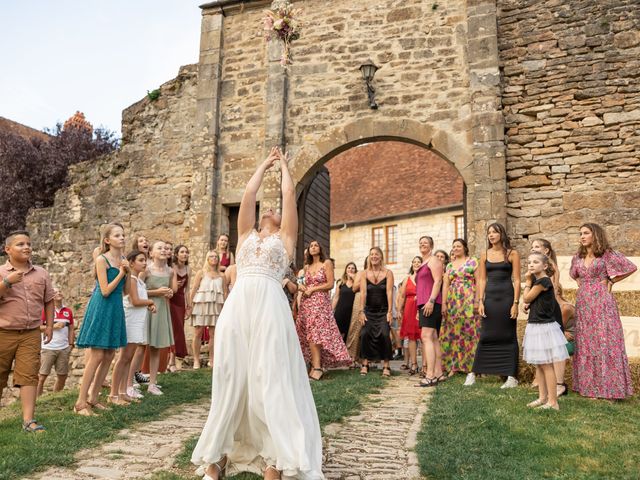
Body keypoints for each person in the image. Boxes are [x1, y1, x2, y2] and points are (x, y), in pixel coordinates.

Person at [191, 147, 324, 480]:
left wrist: (284, 168)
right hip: (239, 306)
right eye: (270, 209)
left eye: (278, 210)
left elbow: (290, 194)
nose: (274, 210)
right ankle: (217, 456)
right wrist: (263, 164)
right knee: (231, 375)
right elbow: (249, 193)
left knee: (270, 377)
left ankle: (274, 459)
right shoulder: (246, 235)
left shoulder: (287, 238)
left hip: (270, 307)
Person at [570, 223, 636, 399]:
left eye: (586, 233)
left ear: (595, 235)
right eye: (580, 233)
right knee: (586, 343)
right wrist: (584, 285)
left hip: (602, 302)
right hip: (584, 303)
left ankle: (610, 388)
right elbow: (575, 274)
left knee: (605, 341)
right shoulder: (578, 256)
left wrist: (611, 281)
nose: (582, 236)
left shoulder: (606, 254)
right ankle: (589, 387)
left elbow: (631, 267)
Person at [0, 230, 55, 432]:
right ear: (7, 250)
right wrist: (7, 282)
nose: (26, 247)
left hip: (31, 333)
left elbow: (48, 300)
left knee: (29, 375)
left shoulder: (41, 273)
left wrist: (49, 325)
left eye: (28, 244)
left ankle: (28, 421)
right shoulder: (1, 272)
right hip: (3, 332)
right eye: (20, 244)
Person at [75, 224, 130, 413]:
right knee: (97, 354)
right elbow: (105, 291)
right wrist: (122, 273)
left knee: (109, 354)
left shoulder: (123, 259)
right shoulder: (101, 259)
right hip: (101, 306)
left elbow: (126, 291)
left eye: (123, 235)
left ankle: (94, 398)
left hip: (116, 308)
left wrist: (127, 272)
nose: (122, 238)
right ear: (107, 240)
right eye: (117, 235)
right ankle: (80, 402)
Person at [469, 223, 521, 389]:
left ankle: (511, 376)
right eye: (489, 232)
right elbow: (482, 279)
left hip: (507, 297)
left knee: (508, 335)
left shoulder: (512, 254)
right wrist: (480, 300)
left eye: (494, 232)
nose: (491, 235)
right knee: (485, 335)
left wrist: (516, 303)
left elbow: (518, 280)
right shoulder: (484, 254)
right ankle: (473, 373)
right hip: (490, 298)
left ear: (501, 234)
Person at [296, 240, 351, 381]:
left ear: (320, 249)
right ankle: (315, 366)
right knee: (309, 334)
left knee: (317, 333)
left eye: (316, 245)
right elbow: (301, 282)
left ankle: (318, 367)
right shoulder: (307, 267)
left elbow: (330, 284)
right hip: (306, 303)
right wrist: (301, 287)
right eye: (311, 246)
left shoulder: (326, 263)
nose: (313, 247)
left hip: (320, 302)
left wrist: (313, 289)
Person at [522, 253, 569, 410]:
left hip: (543, 326)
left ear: (545, 266)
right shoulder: (538, 282)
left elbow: (527, 297)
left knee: (547, 365)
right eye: (529, 262)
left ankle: (553, 402)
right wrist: (529, 304)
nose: (531, 264)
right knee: (540, 364)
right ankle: (542, 398)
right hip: (536, 324)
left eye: (535, 262)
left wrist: (527, 282)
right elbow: (531, 301)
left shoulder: (543, 281)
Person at [112, 250, 156, 401]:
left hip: (138, 321)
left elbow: (140, 300)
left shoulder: (139, 281)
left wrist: (148, 305)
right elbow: (135, 301)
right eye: (141, 260)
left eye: (145, 260)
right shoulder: (130, 279)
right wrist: (150, 302)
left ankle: (123, 391)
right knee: (124, 357)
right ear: (131, 263)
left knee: (129, 358)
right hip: (130, 320)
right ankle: (114, 393)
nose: (145, 263)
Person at [529, 239, 566, 395]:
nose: (533, 249)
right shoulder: (535, 269)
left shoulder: (550, 270)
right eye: (532, 247)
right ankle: (542, 383)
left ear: (547, 251)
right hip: (538, 307)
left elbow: (552, 290)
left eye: (537, 247)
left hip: (549, 310)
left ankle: (559, 383)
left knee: (555, 348)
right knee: (543, 351)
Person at [440, 239, 480, 384]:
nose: (455, 248)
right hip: (452, 302)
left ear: (464, 248)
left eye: (458, 246)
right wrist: (444, 304)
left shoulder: (473, 261)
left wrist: (477, 300)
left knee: (469, 333)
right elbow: (445, 286)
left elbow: (479, 281)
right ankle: (453, 366)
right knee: (453, 333)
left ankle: (472, 367)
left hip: (469, 300)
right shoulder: (449, 265)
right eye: (453, 247)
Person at [145, 240, 177, 395]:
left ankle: (152, 383)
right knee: (139, 347)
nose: (164, 250)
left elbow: (170, 290)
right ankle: (129, 382)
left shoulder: (170, 271)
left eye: (165, 248)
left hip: (161, 309)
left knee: (156, 347)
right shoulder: (146, 270)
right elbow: (136, 292)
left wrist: (169, 293)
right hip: (146, 308)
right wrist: (157, 292)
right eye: (159, 248)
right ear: (151, 253)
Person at [358, 247, 394, 377]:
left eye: (376, 254)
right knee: (365, 333)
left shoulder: (388, 273)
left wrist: (390, 312)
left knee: (385, 335)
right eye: (371, 254)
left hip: (383, 311)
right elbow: (363, 293)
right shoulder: (364, 274)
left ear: (381, 257)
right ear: (369, 257)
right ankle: (365, 364)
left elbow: (389, 292)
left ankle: (386, 365)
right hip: (369, 311)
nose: (374, 256)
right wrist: (361, 312)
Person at [415, 236, 445, 387]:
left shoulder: (433, 260)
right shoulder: (424, 262)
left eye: (425, 243)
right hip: (424, 304)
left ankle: (430, 375)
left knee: (425, 336)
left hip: (431, 303)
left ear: (431, 246)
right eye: (420, 243)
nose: (422, 245)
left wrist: (431, 301)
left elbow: (438, 281)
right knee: (432, 338)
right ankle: (439, 373)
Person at [190, 250, 228, 370]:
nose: (214, 258)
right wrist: (189, 305)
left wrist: (226, 307)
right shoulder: (201, 273)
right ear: (207, 259)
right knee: (198, 332)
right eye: (211, 256)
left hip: (216, 305)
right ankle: (196, 360)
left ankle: (212, 359)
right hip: (201, 304)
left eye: (216, 256)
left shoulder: (222, 275)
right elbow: (194, 288)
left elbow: (225, 292)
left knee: (213, 334)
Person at [37, 289, 75, 397]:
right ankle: (36, 400)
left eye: (60, 291)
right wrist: (54, 326)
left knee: (62, 376)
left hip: (63, 348)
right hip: (48, 347)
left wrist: (71, 344)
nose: (59, 293)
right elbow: (38, 328)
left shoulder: (68, 311)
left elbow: (71, 329)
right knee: (42, 376)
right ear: (50, 296)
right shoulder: (45, 310)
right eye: (55, 292)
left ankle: (56, 397)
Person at [397, 256, 422, 375]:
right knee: (411, 338)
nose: (416, 264)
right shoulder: (407, 279)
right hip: (409, 308)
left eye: (419, 262)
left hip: (421, 308)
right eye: (414, 262)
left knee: (423, 337)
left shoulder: (424, 277)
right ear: (412, 264)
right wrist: (399, 310)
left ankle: (425, 366)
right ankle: (414, 364)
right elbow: (402, 296)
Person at [169, 244, 191, 371]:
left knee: (179, 330)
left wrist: (189, 306)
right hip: (170, 299)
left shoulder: (189, 269)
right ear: (176, 254)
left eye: (186, 252)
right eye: (182, 252)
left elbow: (187, 290)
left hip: (180, 302)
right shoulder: (171, 267)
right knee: (171, 330)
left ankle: (173, 360)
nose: (185, 254)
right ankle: (169, 362)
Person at [344, 257, 368, 368]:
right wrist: (365, 280)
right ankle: (351, 357)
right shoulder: (361, 273)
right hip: (359, 299)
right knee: (355, 327)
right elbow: (354, 288)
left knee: (368, 330)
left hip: (374, 300)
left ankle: (365, 358)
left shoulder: (380, 273)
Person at [332, 262, 357, 342]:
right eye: (349, 268)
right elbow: (336, 297)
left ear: (355, 270)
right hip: (340, 311)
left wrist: (354, 278)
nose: (350, 269)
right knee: (338, 333)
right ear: (346, 270)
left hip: (352, 312)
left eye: (353, 268)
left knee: (348, 334)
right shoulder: (340, 282)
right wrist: (332, 310)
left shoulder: (357, 283)